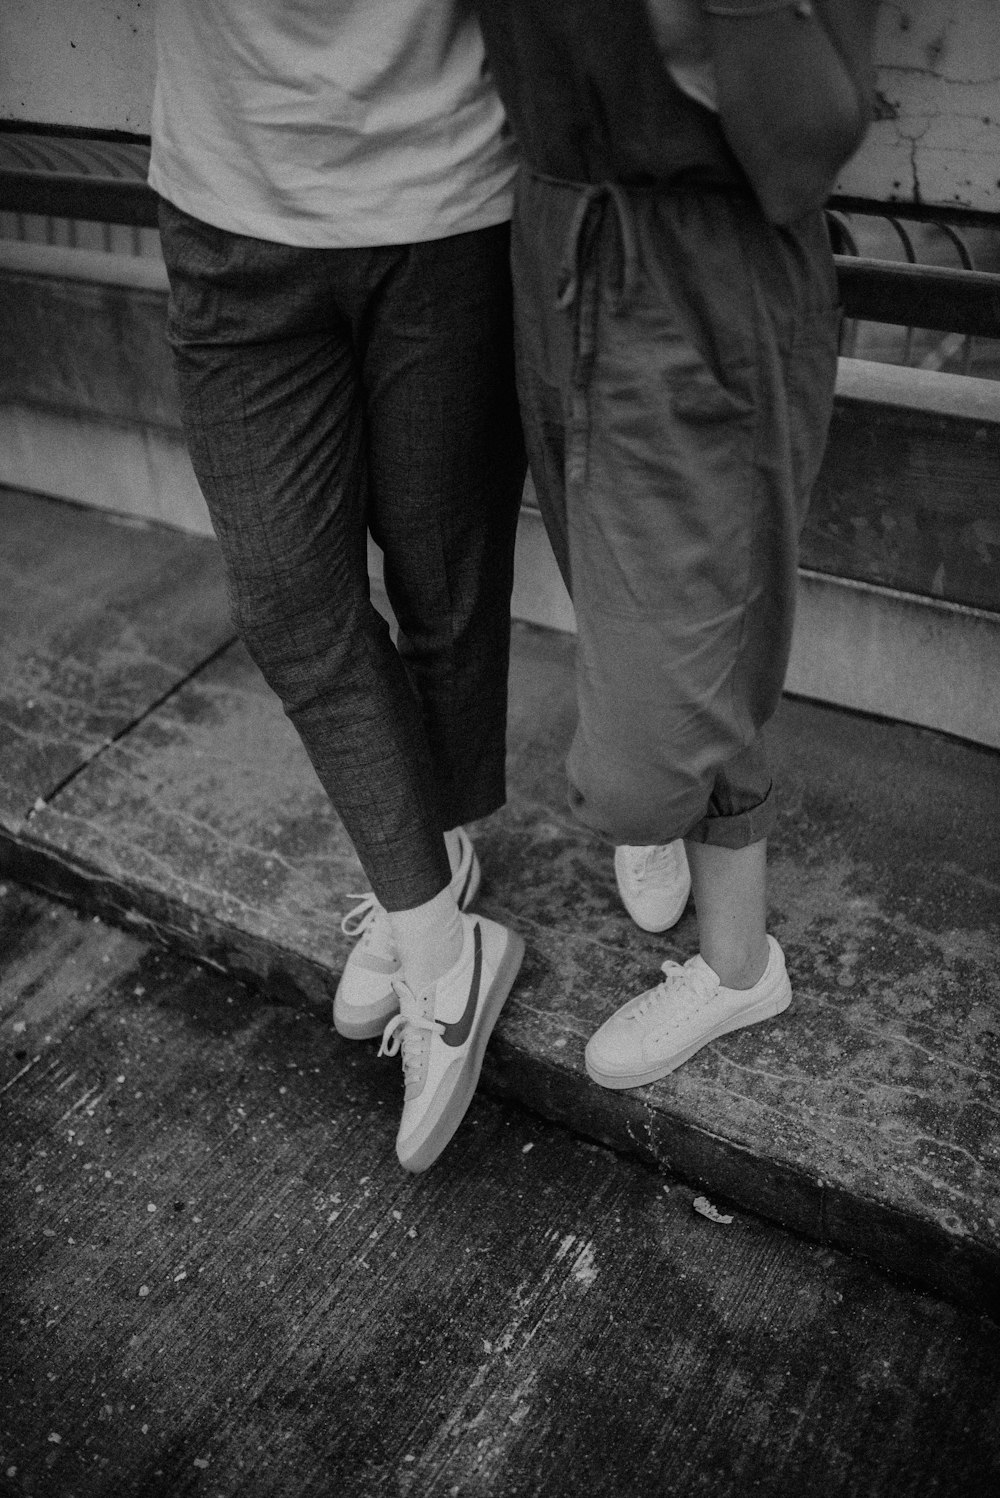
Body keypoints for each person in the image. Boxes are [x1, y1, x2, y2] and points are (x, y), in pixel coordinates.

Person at [150, 0, 527, 1170]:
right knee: (288, 601)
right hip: (233, 198)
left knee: (443, 575)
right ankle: (442, 946)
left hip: (449, 193)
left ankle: (441, 852)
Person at [476, 0, 877, 1087]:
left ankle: (738, 955)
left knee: (672, 699)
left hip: (707, 262)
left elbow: (804, 144)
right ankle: (721, 922)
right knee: (611, 576)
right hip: (554, 228)